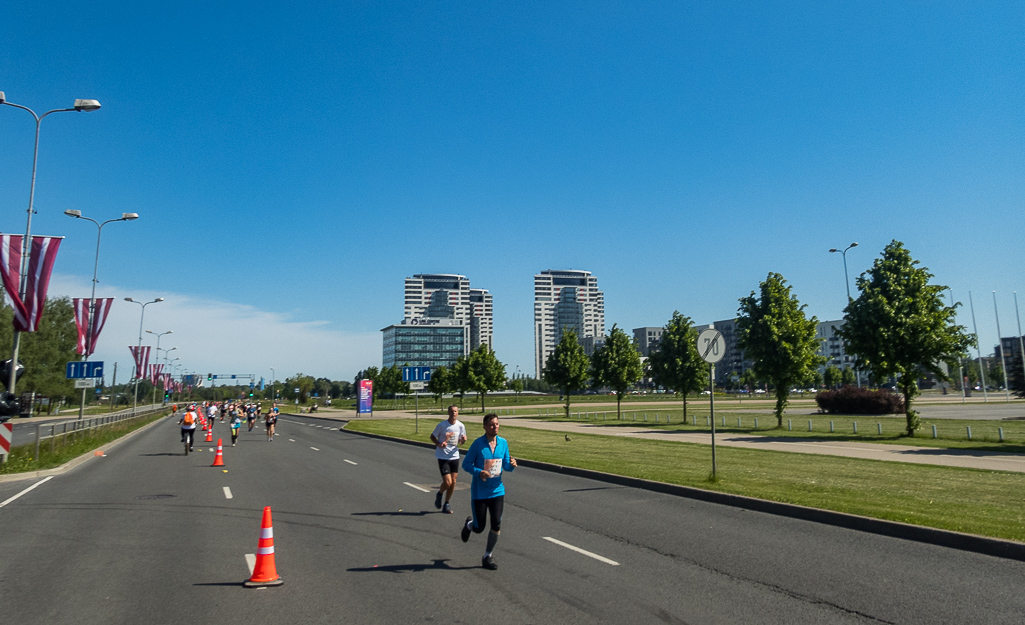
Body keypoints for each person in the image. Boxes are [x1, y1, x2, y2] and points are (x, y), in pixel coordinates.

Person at [460, 413, 517, 570]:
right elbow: (466, 464)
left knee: (496, 524)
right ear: (485, 426)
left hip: (497, 490)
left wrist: (512, 464)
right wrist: (479, 472)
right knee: (480, 528)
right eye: (492, 425)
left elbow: (506, 466)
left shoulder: (503, 443)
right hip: (480, 492)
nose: (495, 427)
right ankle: (470, 525)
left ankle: (487, 556)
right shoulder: (478, 444)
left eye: (497, 424)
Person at [430, 405, 467, 514]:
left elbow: (461, 441)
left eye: (455, 411)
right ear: (448, 413)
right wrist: (438, 444)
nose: (453, 413)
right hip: (443, 456)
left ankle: (446, 503)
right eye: (451, 411)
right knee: (447, 482)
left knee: (453, 482)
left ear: (458, 413)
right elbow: (432, 436)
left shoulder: (461, 426)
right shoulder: (442, 425)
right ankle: (440, 494)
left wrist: (463, 440)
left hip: (454, 456)